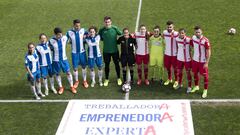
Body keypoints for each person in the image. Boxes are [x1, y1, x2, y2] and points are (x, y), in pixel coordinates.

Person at [49, 27, 76, 94]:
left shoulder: (64, 38)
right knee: (57, 74)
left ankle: (72, 86)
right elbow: (47, 48)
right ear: (55, 34)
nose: (60, 35)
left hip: (64, 59)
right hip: (56, 60)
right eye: (58, 34)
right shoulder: (51, 41)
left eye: (61, 34)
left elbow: (71, 35)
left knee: (68, 72)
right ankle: (61, 87)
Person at [99, 16, 122, 86]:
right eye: (106, 22)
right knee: (107, 65)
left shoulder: (114, 28)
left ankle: (118, 78)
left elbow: (120, 33)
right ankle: (106, 79)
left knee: (117, 65)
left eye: (108, 22)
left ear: (111, 22)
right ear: (104, 22)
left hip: (115, 51)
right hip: (106, 51)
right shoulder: (102, 30)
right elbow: (100, 38)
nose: (107, 23)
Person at [66, 19, 89, 88]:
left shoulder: (83, 30)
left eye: (79, 26)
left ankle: (84, 81)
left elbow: (90, 35)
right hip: (74, 53)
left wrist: (86, 38)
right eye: (76, 26)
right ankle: (76, 81)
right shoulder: (69, 32)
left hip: (82, 52)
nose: (78, 27)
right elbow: (64, 40)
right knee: (75, 68)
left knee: (84, 67)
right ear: (73, 25)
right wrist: (69, 41)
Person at [190, 26, 211, 98]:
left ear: (201, 32)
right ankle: (196, 86)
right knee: (195, 74)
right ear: (194, 32)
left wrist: (207, 62)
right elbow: (191, 45)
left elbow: (208, 52)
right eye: (196, 32)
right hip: (195, 60)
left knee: (205, 76)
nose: (197, 33)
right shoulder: (193, 38)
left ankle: (205, 90)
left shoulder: (205, 41)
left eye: (199, 32)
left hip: (202, 61)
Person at [174, 28, 192, 93]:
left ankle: (189, 87)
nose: (181, 34)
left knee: (188, 73)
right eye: (180, 33)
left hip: (187, 60)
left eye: (182, 33)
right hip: (179, 59)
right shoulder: (176, 39)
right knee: (180, 72)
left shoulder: (189, 40)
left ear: (185, 33)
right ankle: (179, 84)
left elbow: (194, 46)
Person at [163, 20, 178, 87]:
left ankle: (176, 80)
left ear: (173, 27)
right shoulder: (164, 32)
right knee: (168, 68)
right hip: (167, 54)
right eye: (168, 27)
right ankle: (169, 79)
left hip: (174, 55)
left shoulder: (176, 34)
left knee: (175, 68)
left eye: (170, 27)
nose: (169, 28)